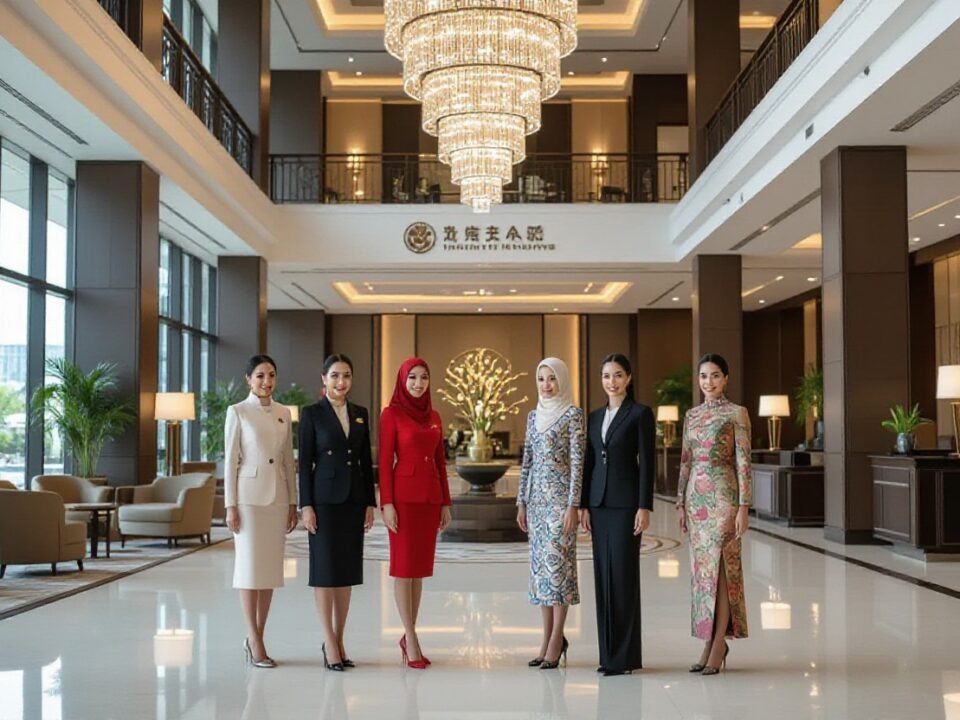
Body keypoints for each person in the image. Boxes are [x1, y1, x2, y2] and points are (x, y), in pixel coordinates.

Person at [676, 353, 752, 675]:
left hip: (724, 497)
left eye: (715, 376)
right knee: (703, 574)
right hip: (696, 500)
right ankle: (709, 641)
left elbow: (744, 463)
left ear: (726, 379)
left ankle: (719, 641)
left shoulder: (737, 414)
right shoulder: (692, 416)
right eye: (704, 376)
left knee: (721, 570)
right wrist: (680, 502)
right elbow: (685, 461)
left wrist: (743, 507)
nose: (709, 382)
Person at [299, 354, 376, 671]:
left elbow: (364, 461)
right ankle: (329, 642)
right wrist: (306, 505)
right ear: (324, 379)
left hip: (353, 501)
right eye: (334, 376)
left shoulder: (360, 413)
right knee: (325, 573)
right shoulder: (311, 414)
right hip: (324, 501)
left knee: (345, 574)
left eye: (345, 375)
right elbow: (304, 462)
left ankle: (340, 640)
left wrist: (370, 502)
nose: (340, 382)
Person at [580, 353, 655, 676]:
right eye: (607, 376)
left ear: (629, 378)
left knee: (623, 578)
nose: (612, 381)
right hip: (598, 505)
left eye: (618, 375)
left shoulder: (640, 414)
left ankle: (624, 657)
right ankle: (608, 655)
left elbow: (647, 463)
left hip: (626, 506)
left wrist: (644, 506)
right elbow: (589, 462)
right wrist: (583, 504)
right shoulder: (595, 417)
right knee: (602, 578)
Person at [224, 354, 298, 668]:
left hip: (277, 499)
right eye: (259, 376)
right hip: (249, 500)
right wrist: (230, 506)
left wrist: (293, 501)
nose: (266, 381)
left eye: (271, 375)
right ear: (248, 380)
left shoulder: (284, 412)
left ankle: (258, 635)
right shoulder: (237, 412)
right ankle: (253, 638)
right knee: (249, 570)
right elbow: (230, 461)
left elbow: (287, 462)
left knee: (268, 573)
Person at [379, 357, 452, 669]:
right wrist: (387, 503)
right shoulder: (390, 414)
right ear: (402, 381)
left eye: (423, 377)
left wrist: (446, 502)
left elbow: (440, 462)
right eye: (412, 378)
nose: (419, 384)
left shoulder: (434, 415)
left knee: (419, 570)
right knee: (403, 568)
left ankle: (410, 632)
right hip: (404, 500)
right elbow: (384, 462)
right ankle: (410, 636)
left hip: (430, 499)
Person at [516, 357, 585, 670]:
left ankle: (557, 639)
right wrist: (521, 502)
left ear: (562, 381)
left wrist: (573, 505)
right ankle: (545, 641)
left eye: (552, 379)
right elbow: (527, 462)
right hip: (536, 505)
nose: (546, 385)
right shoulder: (533, 417)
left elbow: (578, 465)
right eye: (541, 378)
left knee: (558, 572)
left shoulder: (572, 414)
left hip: (560, 506)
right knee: (541, 576)